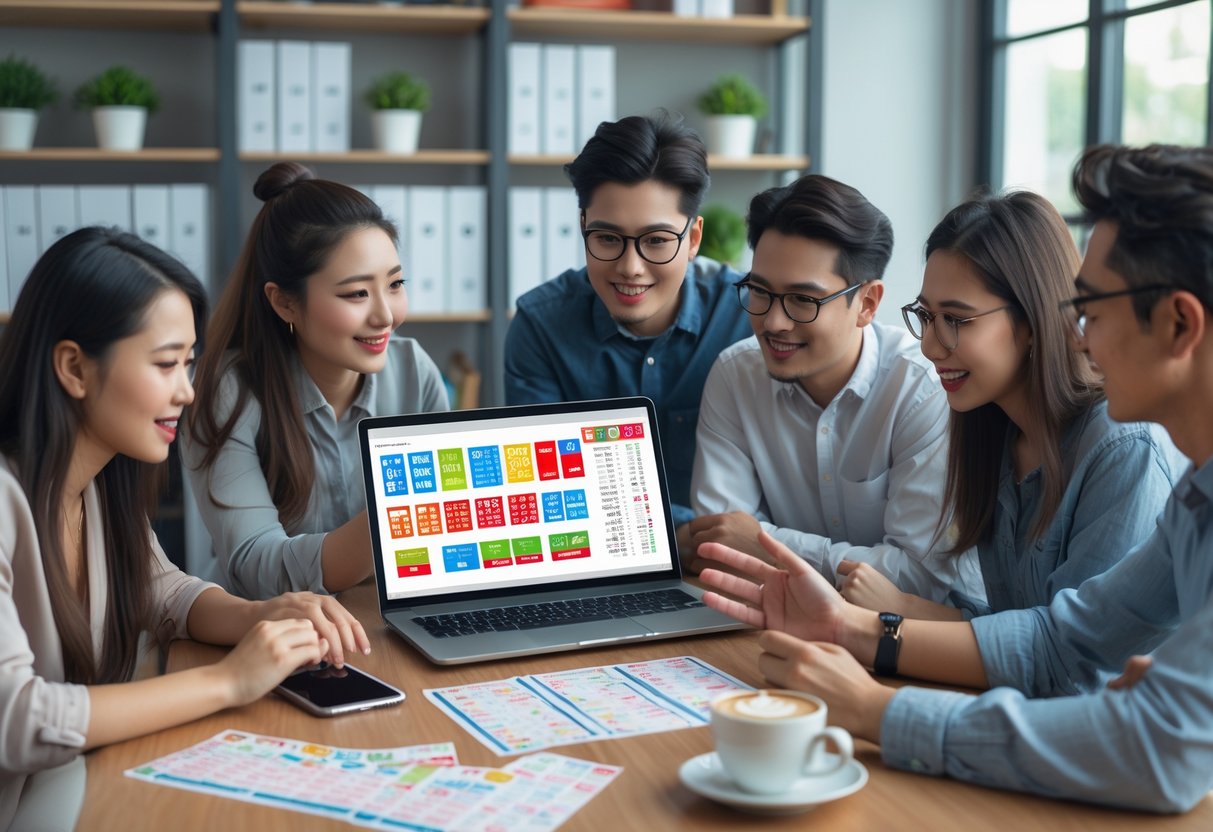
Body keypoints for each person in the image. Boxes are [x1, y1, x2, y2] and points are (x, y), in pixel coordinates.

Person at [698, 144, 1213, 813]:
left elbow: (1152, 744)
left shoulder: (1131, 450)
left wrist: (877, 710)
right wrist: (851, 628)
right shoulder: (1189, 491)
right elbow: (1058, 641)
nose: (1080, 336)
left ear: (1178, 323)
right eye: (928, 317)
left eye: (1091, 310)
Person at [0, 227, 369, 830]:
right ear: (74, 367)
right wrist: (229, 682)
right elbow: (17, 720)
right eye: (166, 364)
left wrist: (260, 615)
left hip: (70, 783)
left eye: (190, 363)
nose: (189, 391)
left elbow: (165, 591)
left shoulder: (98, 483)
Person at [837, 190, 1183, 619]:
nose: (929, 346)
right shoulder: (993, 429)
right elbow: (1013, 630)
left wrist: (902, 615)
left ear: (1033, 322)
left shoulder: (1122, 446)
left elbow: (1073, 650)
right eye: (926, 316)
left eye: (956, 320)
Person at [687, 174, 980, 606]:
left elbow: (919, 578)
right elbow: (723, 545)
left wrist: (766, 544)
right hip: (777, 619)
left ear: (867, 303)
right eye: (760, 291)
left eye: (803, 300)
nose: (773, 322)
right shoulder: (735, 375)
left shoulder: (920, 388)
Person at [183, 162, 449, 600]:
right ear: (285, 302)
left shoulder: (412, 369)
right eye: (357, 293)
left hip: (382, 616)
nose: (386, 316)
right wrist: (398, 516)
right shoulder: (228, 392)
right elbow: (255, 566)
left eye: (395, 284)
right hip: (269, 625)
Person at [503, 113, 751, 534]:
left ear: (693, 239)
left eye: (656, 241)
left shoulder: (747, 315)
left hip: (733, 559)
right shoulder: (540, 327)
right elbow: (548, 491)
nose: (630, 267)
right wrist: (681, 534)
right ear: (584, 227)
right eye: (608, 239)